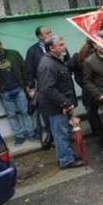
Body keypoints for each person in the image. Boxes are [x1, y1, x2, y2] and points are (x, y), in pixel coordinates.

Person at [37, 35, 85, 169]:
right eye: (61, 45)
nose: (65, 47)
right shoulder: (48, 64)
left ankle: (66, 155)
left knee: (65, 132)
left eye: (64, 43)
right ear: (51, 48)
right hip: (56, 107)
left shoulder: (55, 60)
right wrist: (66, 103)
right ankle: (66, 160)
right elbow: (48, 88)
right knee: (61, 134)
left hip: (61, 105)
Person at [0, 37, 36, 144]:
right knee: (12, 115)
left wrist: (27, 85)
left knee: (25, 112)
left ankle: (31, 133)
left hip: (18, 88)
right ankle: (19, 135)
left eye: (0, 43)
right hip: (4, 92)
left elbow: (23, 68)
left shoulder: (13, 54)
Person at [26, 26, 53, 149]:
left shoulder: (57, 45)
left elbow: (66, 62)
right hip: (43, 88)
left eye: (50, 32)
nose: (50, 34)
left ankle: (65, 134)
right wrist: (31, 88)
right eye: (47, 33)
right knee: (47, 113)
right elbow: (29, 70)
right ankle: (51, 137)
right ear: (39, 36)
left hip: (59, 85)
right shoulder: (32, 51)